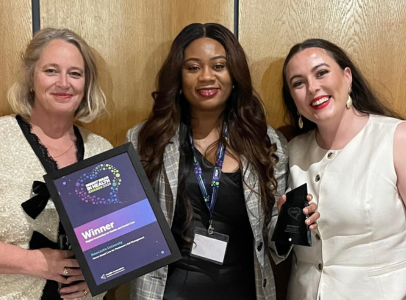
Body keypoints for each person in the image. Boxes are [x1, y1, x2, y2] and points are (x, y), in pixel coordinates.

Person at [126, 23, 318, 300]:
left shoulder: (267, 142)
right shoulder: (144, 139)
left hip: (245, 290)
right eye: (193, 67)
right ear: (178, 77)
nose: (206, 77)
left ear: (234, 74)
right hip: (166, 292)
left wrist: (295, 222)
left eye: (219, 66)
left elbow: (274, 243)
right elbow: (127, 231)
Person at [0, 28, 112, 299]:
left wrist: (102, 275)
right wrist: (32, 263)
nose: (64, 83)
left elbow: (122, 237)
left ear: (86, 83)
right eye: (51, 71)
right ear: (30, 77)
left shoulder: (102, 152)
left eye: (75, 73)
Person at [282, 38, 406, 299]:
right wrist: (285, 222)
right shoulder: (292, 151)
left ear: (347, 76)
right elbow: (282, 242)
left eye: (321, 73)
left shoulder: (396, 138)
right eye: (298, 83)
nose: (313, 88)